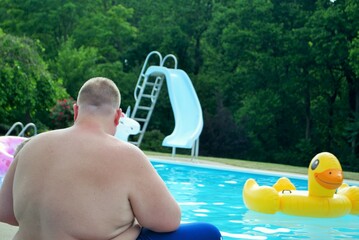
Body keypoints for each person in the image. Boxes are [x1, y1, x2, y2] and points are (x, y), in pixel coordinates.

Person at [0, 77, 222, 240]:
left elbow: (5, 212)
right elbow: (168, 221)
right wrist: (131, 228)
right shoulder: (127, 154)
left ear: (76, 111)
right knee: (209, 233)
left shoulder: (31, 146)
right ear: (118, 116)